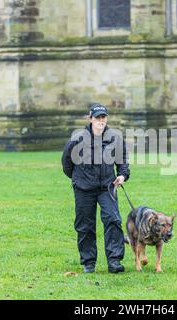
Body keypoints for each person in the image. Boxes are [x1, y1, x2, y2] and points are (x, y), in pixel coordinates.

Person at [62, 103, 130, 273]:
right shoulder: (78, 138)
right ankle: (88, 262)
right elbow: (66, 163)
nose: (101, 120)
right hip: (83, 188)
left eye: (103, 117)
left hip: (107, 187)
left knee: (113, 220)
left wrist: (122, 175)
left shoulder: (115, 138)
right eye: (98, 117)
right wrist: (78, 179)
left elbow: (122, 161)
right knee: (85, 225)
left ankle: (114, 261)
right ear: (90, 118)